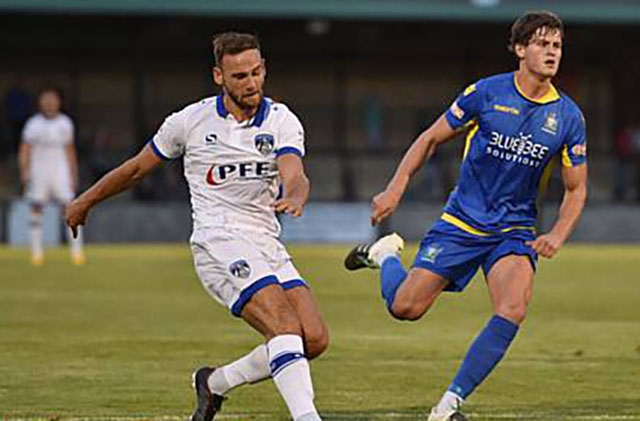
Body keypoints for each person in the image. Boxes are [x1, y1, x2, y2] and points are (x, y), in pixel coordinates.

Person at [65, 32, 328, 421]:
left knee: (313, 338)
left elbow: (295, 173)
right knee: (284, 324)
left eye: (256, 72)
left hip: (265, 240)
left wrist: (296, 195)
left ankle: (214, 384)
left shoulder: (282, 120)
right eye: (240, 76)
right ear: (218, 76)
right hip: (217, 239)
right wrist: (86, 200)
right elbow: (137, 168)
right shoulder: (189, 121)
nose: (251, 82)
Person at [344, 11, 587, 421]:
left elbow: (576, 188)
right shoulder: (486, 94)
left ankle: (448, 404)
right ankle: (385, 255)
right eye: (543, 44)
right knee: (405, 307)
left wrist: (559, 233)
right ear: (519, 48)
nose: (551, 52)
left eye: (557, 46)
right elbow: (430, 139)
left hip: (513, 231)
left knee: (513, 307)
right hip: (462, 223)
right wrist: (395, 187)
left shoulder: (568, 117)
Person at [18, 86, 84, 266]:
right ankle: (37, 253)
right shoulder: (33, 124)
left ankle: (77, 253)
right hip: (39, 171)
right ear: (40, 103)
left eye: (52, 100)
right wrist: (24, 172)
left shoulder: (65, 123)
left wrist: (73, 173)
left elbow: (70, 151)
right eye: (46, 100)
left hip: (60, 170)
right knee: (36, 208)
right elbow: (25, 150)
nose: (49, 104)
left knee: (71, 209)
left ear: (59, 102)